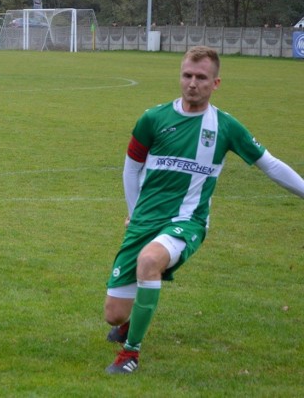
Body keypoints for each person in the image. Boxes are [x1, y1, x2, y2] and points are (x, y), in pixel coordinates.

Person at [103, 46, 304, 374]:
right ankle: (129, 325)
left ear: (216, 83)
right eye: (187, 75)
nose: (192, 83)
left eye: (201, 77)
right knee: (114, 313)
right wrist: (133, 211)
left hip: (188, 220)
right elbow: (131, 168)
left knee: (149, 260)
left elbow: (271, 166)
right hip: (144, 220)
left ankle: (130, 354)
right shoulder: (153, 118)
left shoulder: (225, 127)